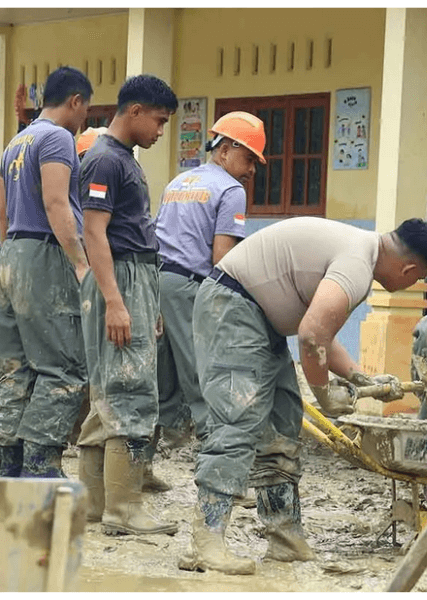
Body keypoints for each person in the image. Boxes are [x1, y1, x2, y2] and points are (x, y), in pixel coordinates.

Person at [178, 217, 427, 575]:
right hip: (232, 306)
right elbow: (311, 336)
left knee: (282, 422)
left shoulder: (360, 253)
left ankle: (284, 538)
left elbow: (321, 334)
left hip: (258, 317)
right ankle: (204, 543)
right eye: (418, 278)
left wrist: (359, 376)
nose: (414, 284)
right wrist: (324, 394)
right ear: (409, 269)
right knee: (238, 421)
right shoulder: (357, 265)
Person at [75, 74, 179, 537]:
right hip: (120, 276)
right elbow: (94, 232)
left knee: (108, 394)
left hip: (134, 278)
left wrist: (146, 302)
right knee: (131, 392)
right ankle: (124, 510)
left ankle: (94, 506)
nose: (160, 130)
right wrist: (116, 302)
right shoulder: (104, 160)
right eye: (158, 120)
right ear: (134, 111)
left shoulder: (121, 159)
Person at [151, 111, 267, 494]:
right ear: (226, 149)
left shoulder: (179, 181)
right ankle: (221, 479)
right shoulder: (231, 190)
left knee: (160, 381)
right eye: (249, 159)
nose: (251, 170)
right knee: (206, 379)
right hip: (191, 290)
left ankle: (136, 470)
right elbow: (223, 258)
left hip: (159, 283)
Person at [0, 66, 92, 479]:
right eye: (85, 110)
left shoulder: (16, 142)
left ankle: (9, 467)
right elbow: (56, 203)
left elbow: (1, 212)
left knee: (12, 366)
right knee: (62, 366)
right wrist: (80, 262)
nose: (83, 119)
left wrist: (11, 257)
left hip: (11, 253)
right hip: (44, 254)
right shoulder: (57, 138)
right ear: (75, 101)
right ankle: (41, 465)